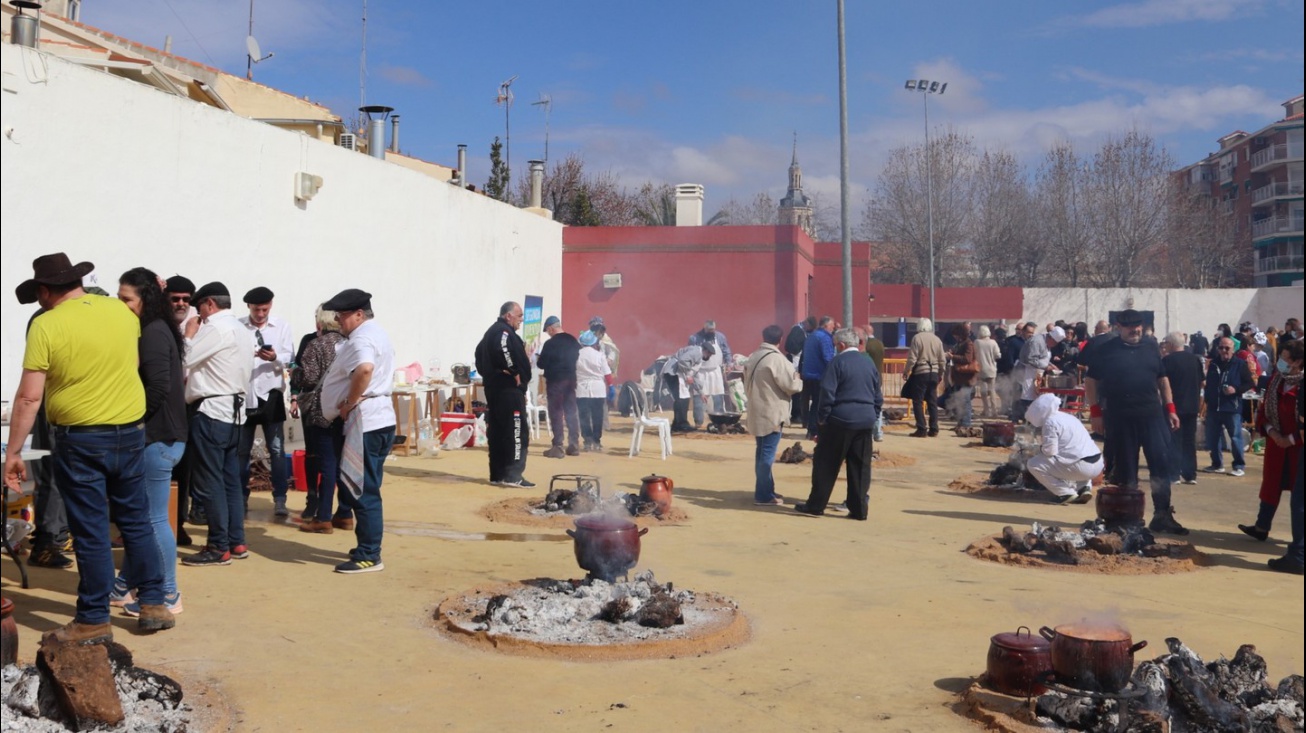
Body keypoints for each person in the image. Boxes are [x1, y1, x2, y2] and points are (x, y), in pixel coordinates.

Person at [4, 253, 174, 641]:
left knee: (92, 529)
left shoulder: (46, 324)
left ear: (45, 291)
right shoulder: (122, 314)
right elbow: (128, 366)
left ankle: (94, 617)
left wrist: (14, 453)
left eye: (39, 295)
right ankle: (153, 602)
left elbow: (30, 398)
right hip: (130, 431)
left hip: (81, 437)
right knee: (135, 519)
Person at [110, 267, 188, 617]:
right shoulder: (156, 328)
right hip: (163, 437)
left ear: (145, 298)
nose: (121, 304)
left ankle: (169, 593)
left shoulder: (154, 332)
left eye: (127, 299)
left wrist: (135, 422)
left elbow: (157, 387)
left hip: (158, 438)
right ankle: (123, 586)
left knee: (154, 520)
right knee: (144, 520)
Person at [1085, 309, 1187, 535]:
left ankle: (1162, 515)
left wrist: (1170, 409)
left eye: (1138, 325)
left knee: (1160, 465)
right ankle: (1128, 518)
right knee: (1126, 471)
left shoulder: (1151, 347)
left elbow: (1162, 379)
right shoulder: (1105, 350)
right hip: (1120, 418)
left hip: (1152, 416)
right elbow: (1090, 381)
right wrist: (1095, 412)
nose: (1135, 330)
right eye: (1130, 326)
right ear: (1118, 327)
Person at [318, 288, 396, 573]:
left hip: (367, 420)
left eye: (342, 315)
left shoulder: (363, 336)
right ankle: (366, 546)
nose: (338, 320)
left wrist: (349, 402)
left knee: (363, 490)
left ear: (359, 314)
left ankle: (369, 554)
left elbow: (364, 369)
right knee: (364, 486)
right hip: (377, 417)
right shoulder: (376, 333)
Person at [181, 282, 255, 567]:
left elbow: (185, 358)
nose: (199, 314)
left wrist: (189, 335)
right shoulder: (241, 329)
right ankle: (235, 541)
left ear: (209, 304)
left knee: (210, 481)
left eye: (199, 307)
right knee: (229, 481)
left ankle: (218, 546)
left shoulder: (214, 327)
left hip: (212, 409)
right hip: (235, 409)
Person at [795, 329, 883, 520]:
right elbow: (878, 394)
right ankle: (859, 509)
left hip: (840, 420)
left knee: (826, 464)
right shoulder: (868, 363)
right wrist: (873, 415)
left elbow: (827, 393)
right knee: (860, 466)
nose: (835, 348)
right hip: (865, 421)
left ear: (841, 345)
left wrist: (822, 418)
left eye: (835, 345)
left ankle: (816, 505)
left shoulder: (837, 362)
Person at [1238, 340, 1303, 546]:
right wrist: (1272, 432)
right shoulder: (1277, 380)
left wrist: (1290, 439)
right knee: (1271, 486)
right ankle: (1261, 527)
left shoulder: (1302, 385)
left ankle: (1299, 541)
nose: (1281, 362)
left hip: (1299, 447)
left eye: (1286, 359)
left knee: (1300, 496)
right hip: (1276, 444)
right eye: (1280, 357)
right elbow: (1264, 410)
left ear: (1299, 362)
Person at [237, 286, 295, 517]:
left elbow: (289, 357)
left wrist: (274, 357)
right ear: (248, 307)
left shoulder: (281, 326)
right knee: (242, 450)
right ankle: (241, 497)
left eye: (264, 309)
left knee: (277, 449)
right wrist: (248, 354)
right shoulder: (239, 326)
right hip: (246, 393)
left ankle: (280, 498)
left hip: (271, 393)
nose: (260, 314)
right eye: (256, 309)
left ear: (270, 305)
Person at [293, 306, 350, 534]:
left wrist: (294, 373)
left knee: (326, 463)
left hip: (321, 410)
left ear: (320, 323)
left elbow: (308, 377)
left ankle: (323, 516)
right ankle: (345, 513)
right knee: (343, 463)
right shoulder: (350, 344)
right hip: (346, 408)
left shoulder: (316, 345)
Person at [475, 302, 534, 488]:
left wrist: (489, 374)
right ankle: (513, 475)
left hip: (497, 390)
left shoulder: (491, 332)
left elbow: (478, 355)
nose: (521, 320)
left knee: (499, 431)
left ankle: (498, 475)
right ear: (508, 316)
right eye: (519, 316)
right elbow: (502, 349)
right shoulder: (503, 332)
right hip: (508, 391)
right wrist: (514, 371)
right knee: (516, 432)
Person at [744, 325, 803, 506]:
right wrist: (798, 380)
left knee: (761, 453)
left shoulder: (753, 356)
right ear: (780, 339)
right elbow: (791, 386)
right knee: (767, 456)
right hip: (772, 412)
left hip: (757, 409)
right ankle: (763, 495)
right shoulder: (777, 360)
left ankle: (765, 489)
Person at [165, 276, 201, 537]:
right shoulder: (159, 326)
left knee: (184, 470)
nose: (180, 304)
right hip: (161, 406)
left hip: (187, 407)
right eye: (175, 298)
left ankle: (178, 522)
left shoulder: (198, 327)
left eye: (186, 300)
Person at [1023, 393, 1100, 504]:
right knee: (1075, 453)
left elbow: (1050, 451)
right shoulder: (1069, 417)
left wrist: (1037, 449)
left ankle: (1065, 493)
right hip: (1096, 464)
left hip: (1081, 467)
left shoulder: (1050, 422)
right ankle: (1084, 488)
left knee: (1033, 464)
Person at [1202, 336, 1253, 477]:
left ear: (1233, 349)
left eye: (1227, 348)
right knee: (1213, 437)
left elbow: (1249, 383)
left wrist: (1235, 389)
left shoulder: (1240, 364)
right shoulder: (1213, 364)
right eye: (1221, 347)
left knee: (1235, 437)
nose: (1224, 350)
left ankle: (1238, 465)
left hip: (1231, 407)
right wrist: (1207, 400)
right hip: (1214, 407)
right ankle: (1217, 464)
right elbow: (1209, 384)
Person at [1161, 332, 1203, 486]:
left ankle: (1174, 474)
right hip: (1192, 405)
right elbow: (1201, 382)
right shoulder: (1195, 360)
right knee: (1189, 442)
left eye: (1166, 343)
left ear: (1171, 344)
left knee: (1174, 441)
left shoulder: (1167, 361)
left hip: (1174, 406)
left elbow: (1162, 384)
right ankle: (1190, 474)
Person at [535, 319, 582, 458]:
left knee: (556, 412)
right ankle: (574, 444)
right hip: (571, 380)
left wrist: (538, 359)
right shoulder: (573, 341)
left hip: (555, 381)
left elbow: (541, 364)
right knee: (571, 411)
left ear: (550, 329)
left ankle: (558, 446)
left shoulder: (550, 344)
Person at [904, 318, 945, 438]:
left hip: (921, 372)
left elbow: (912, 358)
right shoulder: (937, 339)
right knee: (932, 401)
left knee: (918, 401)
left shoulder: (917, 338)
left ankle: (921, 429)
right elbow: (942, 359)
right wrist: (941, 373)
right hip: (934, 373)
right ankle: (934, 428)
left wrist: (907, 371)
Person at [662, 343, 713, 433]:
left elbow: (694, 376)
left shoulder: (699, 358)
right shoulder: (697, 352)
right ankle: (682, 424)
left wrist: (701, 392)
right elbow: (682, 360)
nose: (709, 356)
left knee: (681, 398)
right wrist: (687, 375)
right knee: (682, 398)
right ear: (706, 351)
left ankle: (677, 424)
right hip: (674, 372)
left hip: (677, 373)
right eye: (709, 354)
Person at [689, 320, 732, 426]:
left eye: (713, 330)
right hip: (700, 371)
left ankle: (719, 422)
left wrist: (729, 363)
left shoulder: (720, 337)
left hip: (715, 371)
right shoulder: (694, 338)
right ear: (704, 328)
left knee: (718, 397)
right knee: (699, 398)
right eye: (709, 330)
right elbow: (690, 353)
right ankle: (698, 423)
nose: (712, 332)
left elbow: (726, 350)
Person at [1015, 325, 1061, 423]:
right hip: (1027, 371)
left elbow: (1044, 358)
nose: (1055, 345)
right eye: (1055, 343)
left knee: (1035, 395)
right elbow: (1031, 359)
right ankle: (1023, 418)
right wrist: (1046, 367)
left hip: (1037, 372)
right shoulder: (1036, 341)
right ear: (1051, 338)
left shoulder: (1046, 343)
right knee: (1026, 395)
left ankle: (1031, 419)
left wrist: (1051, 365)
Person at [800, 316, 836, 439]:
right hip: (819, 375)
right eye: (832, 326)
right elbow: (828, 358)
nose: (833, 328)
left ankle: (810, 428)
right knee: (818, 404)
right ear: (826, 326)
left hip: (808, 374)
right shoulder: (825, 338)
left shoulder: (811, 337)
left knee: (813, 403)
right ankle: (814, 430)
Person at [575, 330, 612, 451]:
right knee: (597, 416)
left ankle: (587, 441)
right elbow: (607, 374)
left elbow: (572, 373)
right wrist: (610, 386)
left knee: (584, 416)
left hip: (581, 389)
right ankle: (597, 441)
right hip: (598, 390)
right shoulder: (599, 355)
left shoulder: (575, 354)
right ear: (594, 342)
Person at [947, 323, 979, 434]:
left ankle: (966, 424)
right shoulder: (960, 343)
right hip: (959, 377)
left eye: (956, 334)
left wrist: (953, 356)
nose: (954, 336)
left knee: (965, 401)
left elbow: (967, 359)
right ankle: (960, 423)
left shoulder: (968, 343)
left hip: (966, 377)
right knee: (959, 400)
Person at [785, 317, 816, 422]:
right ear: (807, 323)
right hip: (795, 363)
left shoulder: (802, 331)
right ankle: (796, 413)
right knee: (797, 390)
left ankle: (798, 413)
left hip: (799, 363)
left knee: (800, 390)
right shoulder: (797, 330)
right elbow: (792, 348)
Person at [864, 324, 886, 440]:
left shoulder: (867, 345)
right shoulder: (880, 344)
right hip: (878, 377)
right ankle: (878, 432)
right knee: (877, 404)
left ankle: (869, 431)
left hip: (868, 377)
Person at [975, 325, 1002, 418]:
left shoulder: (977, 342)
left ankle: (986, 411)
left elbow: (974, 354)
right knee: (992, 391)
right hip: (992, 370)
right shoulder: (993, 342)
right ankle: (994, 411)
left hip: (981, 370)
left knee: (983, 392)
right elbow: (998, 355)